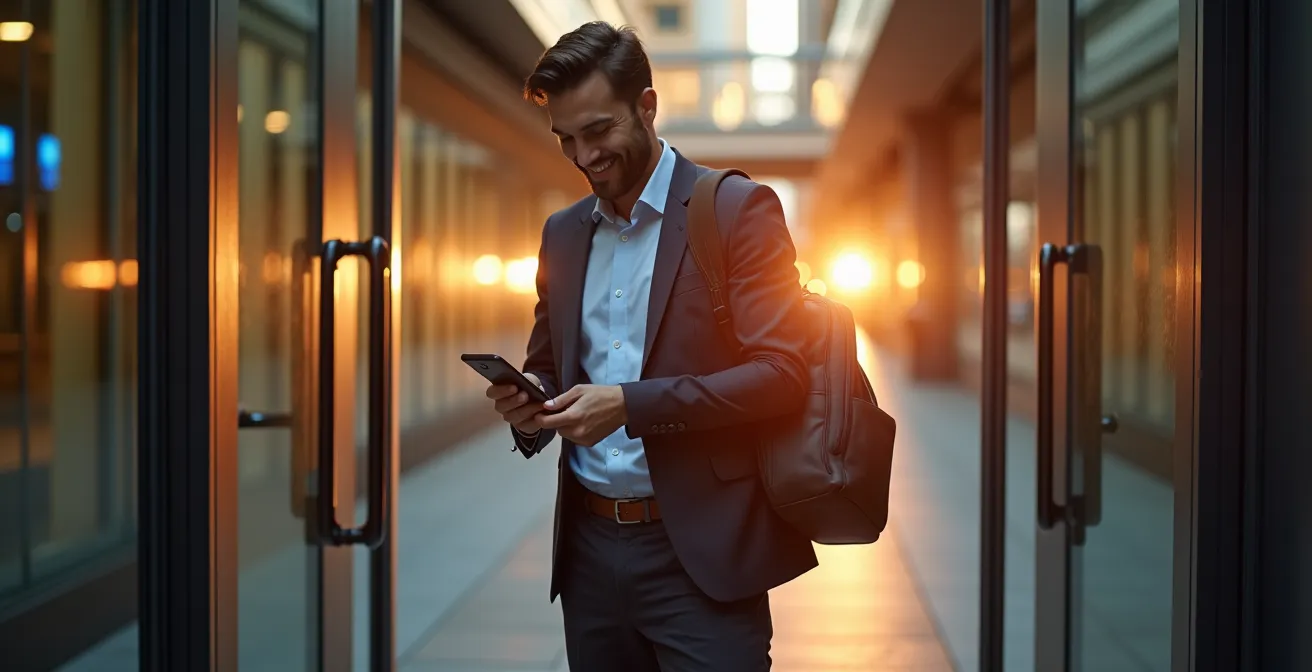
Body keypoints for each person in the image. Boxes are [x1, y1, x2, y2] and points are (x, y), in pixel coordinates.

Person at [484, 20, 817, 671]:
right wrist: (532, 409)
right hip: (587, 555)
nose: (584, 157)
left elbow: (782, 375)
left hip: (701, 553)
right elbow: (547, 367)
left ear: (648, 106)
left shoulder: (737, 211)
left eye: (599, 131)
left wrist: (628, 405)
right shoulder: (563, 234)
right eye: (567, 140)